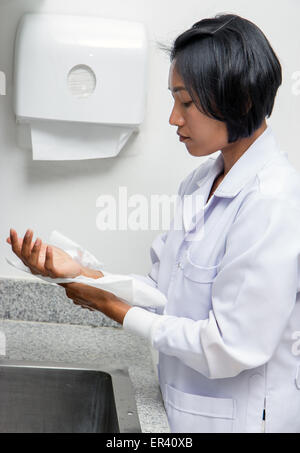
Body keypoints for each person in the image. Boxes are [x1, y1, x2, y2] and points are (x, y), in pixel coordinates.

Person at [6, 13, 300, 433]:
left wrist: (111, 305)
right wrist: (82, 273)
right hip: (182, 412)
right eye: (173, 100)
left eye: (186, 102)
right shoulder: (200, 184)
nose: (173, 118)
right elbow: (163, 294)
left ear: (242, 100)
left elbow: (231, 348)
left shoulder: (274, 203)